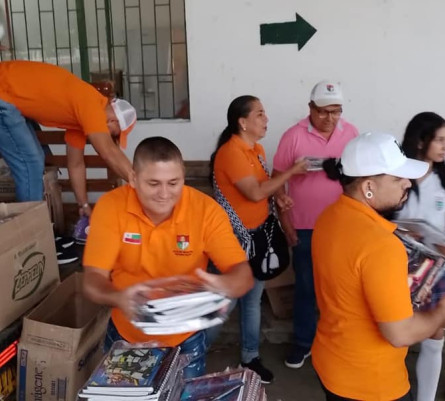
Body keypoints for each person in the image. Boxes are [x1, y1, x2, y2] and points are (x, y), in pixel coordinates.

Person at [81, 136, 254, 379]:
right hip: (127, 335)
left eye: (173, 183)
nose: (164, 194)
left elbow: (242, 273)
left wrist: (225, 286)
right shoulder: (111, 207)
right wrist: (118, 297)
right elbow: (93, 278)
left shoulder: (205, 211)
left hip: (185, 338)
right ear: (133, 178)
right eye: (153, 183)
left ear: (184, 177)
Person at [312, 131, 445, 401]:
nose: (408, 183)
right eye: (397, 178)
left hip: (332, 362)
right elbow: (400, 333)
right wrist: (441, 315)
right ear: (368, 186)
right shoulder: (381, 246)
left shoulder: (329, 217)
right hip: (372, 384)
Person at [209, 95, 308, 383]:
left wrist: (280, 196)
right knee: (221, 304)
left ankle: (250, 357)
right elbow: (253, 193)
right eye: (260, 115)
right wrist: (291, 172)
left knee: (252, 301)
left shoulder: (256, 149)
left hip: (259, 238)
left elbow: (264, 185)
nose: (266, 120)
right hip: (234, 241)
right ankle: (192, 353)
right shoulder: (231, 153)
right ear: (242, 122)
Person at [0, 60, 137, 213]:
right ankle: (30, 237)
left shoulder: (81, 119)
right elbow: (109, 152)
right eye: (114, 134)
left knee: (36, 160)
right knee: (30, 162)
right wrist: (142, 184)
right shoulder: (91, 104)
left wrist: (83, 205)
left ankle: (34, 229)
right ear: (113, 121)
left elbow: (75, 164)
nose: (109, 137)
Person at [272, 80, 359, 369]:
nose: (330, 118)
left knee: (341, 288)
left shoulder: (352, 134)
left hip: (343, 227)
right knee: (306, 287)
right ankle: (303, 343)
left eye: (336, 112)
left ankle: (340, 343)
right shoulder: (293, 137)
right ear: (310, 108)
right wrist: (286, 222)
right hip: (305, 225)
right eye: (323, 112)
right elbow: (277, 179)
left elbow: (361, 178)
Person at [395, 112, 445, 401]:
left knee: (435, 335)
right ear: (421, 140)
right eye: (439, 140)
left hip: (437, 268)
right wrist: (406, 235)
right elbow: (383, 219)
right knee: (395, 331)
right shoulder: (399, 175)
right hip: (399, 264)